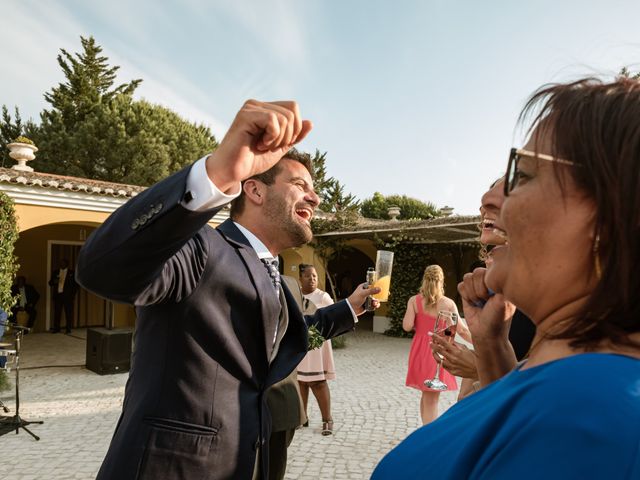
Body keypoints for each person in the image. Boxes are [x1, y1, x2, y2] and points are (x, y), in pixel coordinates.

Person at [76, 99, 379, 480]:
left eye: (313, 189)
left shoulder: (276, 276)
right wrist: (217, 173)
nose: (315, 198)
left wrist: (350, 308)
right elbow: (103, 269)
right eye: (300, 185)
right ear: (254, 190)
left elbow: (300, 334)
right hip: (172, 467)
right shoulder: (201, 247)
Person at [373, 76, 640, 479]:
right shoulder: (569, 384)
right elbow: (506, 425)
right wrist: (491, 344)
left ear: (611, 215)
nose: (493, 202)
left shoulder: (586, 423)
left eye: (524, 175)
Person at [431, 177, 536, 398]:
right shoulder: (494, 291)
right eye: (489, 258)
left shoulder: (539, 298)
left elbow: (542, 394)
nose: (484, 205)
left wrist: (480, 367)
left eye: (506, 195)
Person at [402, 264, 469, 424]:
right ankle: (428, 437)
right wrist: (480, 343)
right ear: (442, 281)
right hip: (436, 351)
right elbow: (462, 331)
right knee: (431, 398)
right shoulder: (448, 303)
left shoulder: (414, 301)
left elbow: (407, 326)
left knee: (426, 396)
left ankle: (424, 432)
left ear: (424, 280)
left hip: (419, 351)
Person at [296, 263, 336, 435]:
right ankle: (301, 417)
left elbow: (332, 320)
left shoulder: (323, 297)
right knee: (300, 382)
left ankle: (327, 420)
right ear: (300, 278)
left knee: (318, 382)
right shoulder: (294, 295)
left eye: (314, 276)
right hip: (299, 345)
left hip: (317, 347)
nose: (312, 279)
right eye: (308, 276)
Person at [48, 259, 77, 333]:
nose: (61, 264)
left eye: (63, 263)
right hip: (58, 296)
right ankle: (56, 328)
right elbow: (50, 283)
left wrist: (72, 295)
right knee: (57, 313)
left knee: (68, 313)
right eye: (60, 263)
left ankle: (68, 329)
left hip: (68, 297)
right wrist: (54, 282)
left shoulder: (72, 273)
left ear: (67, 264)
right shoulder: (56, 272)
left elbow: (75, 286)